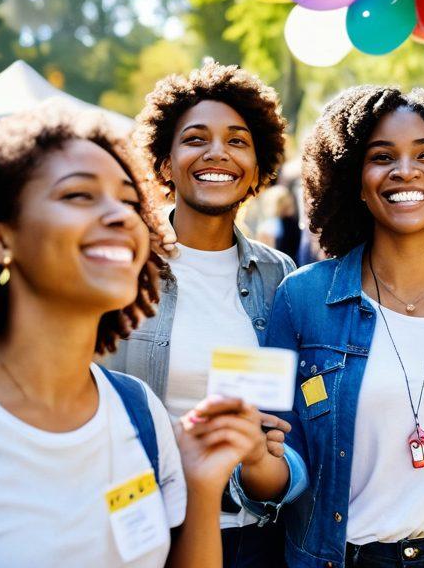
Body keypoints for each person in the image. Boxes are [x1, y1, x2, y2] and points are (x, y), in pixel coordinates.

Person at [0, 107, 265, 568]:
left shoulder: (142, 414)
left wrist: (201, 484)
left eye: (127, 201)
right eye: (80, 195)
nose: (120, 217)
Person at [232, 86, 424, 568]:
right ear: (355, 181)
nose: (406, 171)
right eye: (382, 156)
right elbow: (281, 457)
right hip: (343, 557)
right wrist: (257, 463)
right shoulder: (303, 299)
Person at [105, 62, 300, 567]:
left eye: (237, 141)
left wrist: (263, 454)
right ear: (166, 163)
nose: (217, 153)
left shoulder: (282, 277)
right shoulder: (124, 264)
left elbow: (286, 432)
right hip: (141, 529)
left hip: (250, 533)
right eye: (195, 139)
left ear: (258, 169)